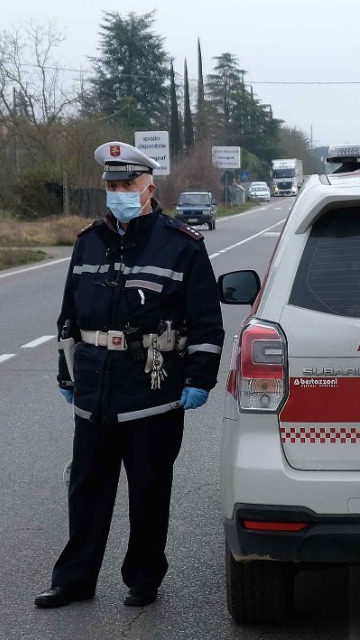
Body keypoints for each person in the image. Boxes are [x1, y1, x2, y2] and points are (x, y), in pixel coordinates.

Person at [34, 141, 225, 610]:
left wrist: (199, 379)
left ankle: (143, 578)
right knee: (86, 489)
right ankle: (74, 579)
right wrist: (66, 375)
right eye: (112, 186)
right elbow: (68, 319)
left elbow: (206, 323)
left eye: (127, 185)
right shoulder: (87, 243)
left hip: (153, 389)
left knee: (148, 490)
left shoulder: (181, 245)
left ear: (148, 189)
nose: (118, 193)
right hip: (95, 387)